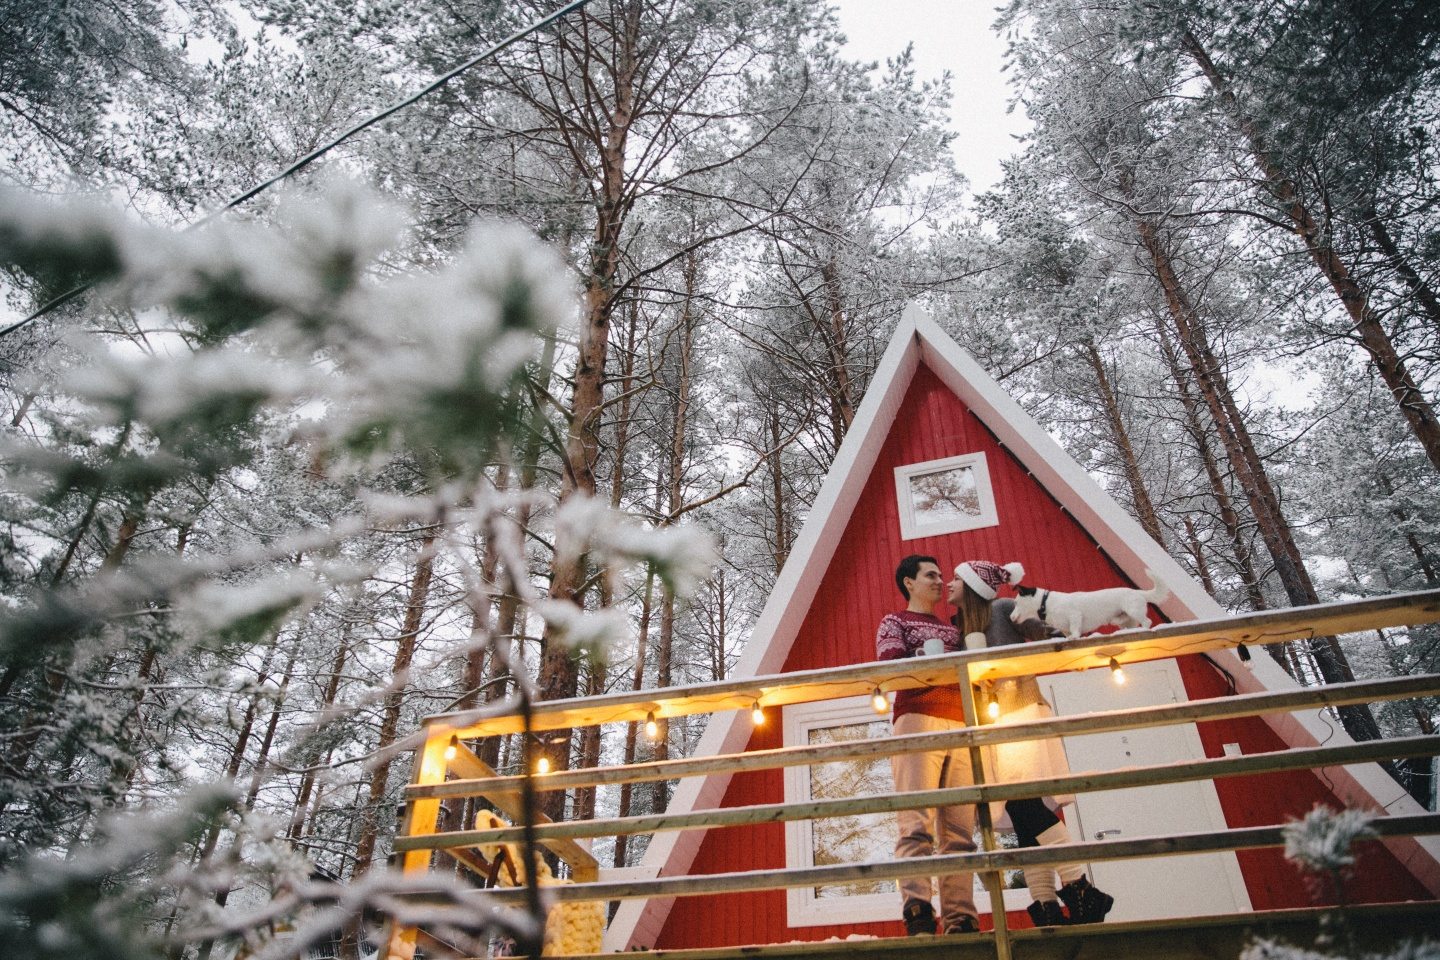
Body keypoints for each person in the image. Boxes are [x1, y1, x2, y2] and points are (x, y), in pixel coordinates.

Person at [950, 560, 1116, 926]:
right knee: (1024, 816)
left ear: (975, 586)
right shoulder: (959, 627)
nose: (949, 584)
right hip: (990, 723)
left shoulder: (1003, 609)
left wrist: (1053, 639)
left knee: (1025, 803)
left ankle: (1082, 888)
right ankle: (1046, 904)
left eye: (957, 579)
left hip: (1021, 709)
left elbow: (1042, 631)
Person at [875, 555, 979, 936]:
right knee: (915, 820)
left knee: (959, 829)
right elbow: (889, 665)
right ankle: (918, 910)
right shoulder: (895, 621)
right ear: (908, 582)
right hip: (917, 718)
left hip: (962, 722)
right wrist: (928, 658)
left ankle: (961, 918)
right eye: (930, 575)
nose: (939, 581)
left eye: (941, 576)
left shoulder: (957, 628)